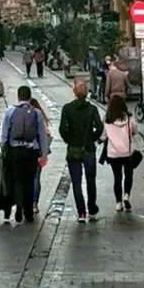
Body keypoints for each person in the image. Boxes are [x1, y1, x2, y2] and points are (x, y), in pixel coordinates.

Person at [0, 86, 48, 224]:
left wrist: (4, 150)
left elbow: (4, 136)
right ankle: (29, 212)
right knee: (30, 181)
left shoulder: (10, 111)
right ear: (30, 98)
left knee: (17, 181)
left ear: (18, 97)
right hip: (31, 152)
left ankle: (18, 208)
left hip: (15, 152)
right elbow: (41, 135)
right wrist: (43, 154)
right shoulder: (36, 113)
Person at [59, 80, 104, 223]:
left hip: (73, 149)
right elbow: (100, 127)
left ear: (74, 92)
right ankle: (92, 208)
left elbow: (62, 129)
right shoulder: (92, 109)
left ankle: (81, 212)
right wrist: (92, 138)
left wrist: (69, 140)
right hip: (89, 148)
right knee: (91, 180)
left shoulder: (67, 109)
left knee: (76, 182)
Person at [103, 95, 138, 212]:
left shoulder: (107, 119)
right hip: (127, 153)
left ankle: (118, 203)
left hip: (113, 154)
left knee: (117, 178)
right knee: (128, 175)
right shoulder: (129, 118)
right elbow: (135, 130)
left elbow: (103, 136)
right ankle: (126, 195)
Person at [29, 98, 51, 215]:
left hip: (26, 151)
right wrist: (44, 153)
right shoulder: (40, 116)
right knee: (36, 178)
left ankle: (25, 203)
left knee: (26, 178)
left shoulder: (24, 116)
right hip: (38, 153)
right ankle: (34, 204)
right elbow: (47, 134)